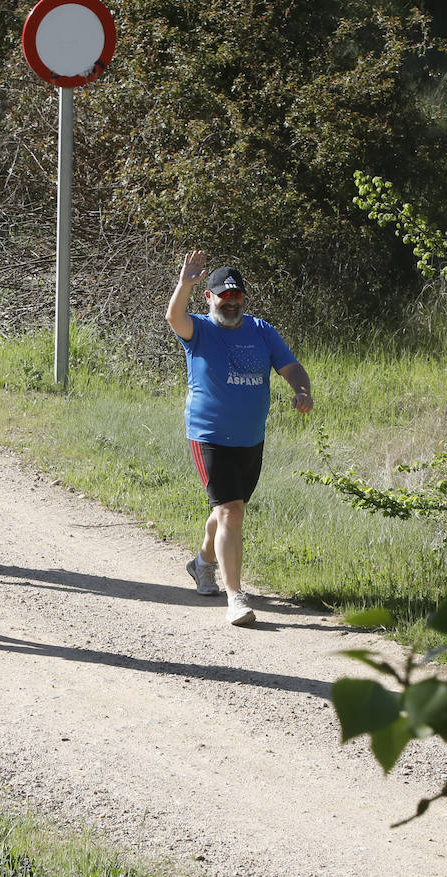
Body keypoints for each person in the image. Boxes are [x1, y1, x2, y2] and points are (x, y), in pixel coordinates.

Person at [166, 251, 312, 626]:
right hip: (209, 435)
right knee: (231, 511)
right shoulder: (199, 330)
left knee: (228, 510)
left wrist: (301, 390)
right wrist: (185, 283)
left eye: (236, 297)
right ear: (209, 298)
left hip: (250, 437)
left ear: (243, 299)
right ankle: (236, 596)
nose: (230, 303)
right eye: (223, 296)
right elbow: (173, 318)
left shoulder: (262, 331)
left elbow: (290, 366)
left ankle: (201, 563)